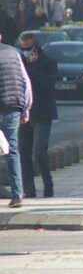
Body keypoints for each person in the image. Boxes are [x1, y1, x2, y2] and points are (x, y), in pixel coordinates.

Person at [18, 34, 57, 198]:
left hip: (42, 114)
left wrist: (34, 67)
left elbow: (47, 84)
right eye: (22, 49)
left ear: (36, 48)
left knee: (40, 151)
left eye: (28, 49)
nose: (25, 52)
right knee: (24, 153)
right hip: (24, 113)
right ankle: (29, 189)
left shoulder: (48, 63)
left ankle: (48, 186)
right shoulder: (20, 64)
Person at [0, 36, 33, 207]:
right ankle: (17, 194)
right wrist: (26, 108)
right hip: (13, 105)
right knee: (12, 150)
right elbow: (25, 81)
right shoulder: (14, 53)